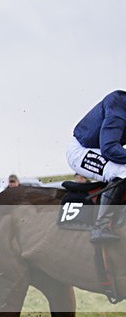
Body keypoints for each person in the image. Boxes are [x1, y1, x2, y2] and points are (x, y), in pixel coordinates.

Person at [66, 90, 126, 244]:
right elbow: (109, 148)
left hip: (101, 148)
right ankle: (100, 227)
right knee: (122, 171)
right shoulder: (118, 103)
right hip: (81, 151)